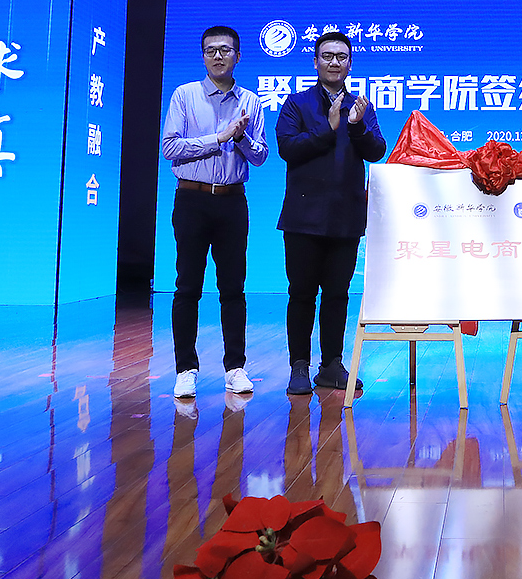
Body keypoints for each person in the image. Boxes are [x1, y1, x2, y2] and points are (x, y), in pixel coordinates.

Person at [274, 31, 388, 394]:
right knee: (302, 293)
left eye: (341, 57)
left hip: (346, 215)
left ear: (350, 64)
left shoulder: (361, 106)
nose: (334, 62)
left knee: (338, 294)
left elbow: (377, 150)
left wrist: (355, 126)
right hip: (303, 217)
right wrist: (329, 127)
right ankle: (299, 366)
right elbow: (288, 148)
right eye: (327, 56)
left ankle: (332, 365)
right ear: (315, 62)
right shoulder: (296, 104)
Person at [160, 25, 268, 400]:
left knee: (233, 287)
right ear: (203, 56)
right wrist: (218, 138)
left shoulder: (250, 101)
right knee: (187, 286)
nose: (218, 56)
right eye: (211, 50)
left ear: (238, 56)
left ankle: (235, 367)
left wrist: (240, 138)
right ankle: (185, 369)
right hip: (191, 199)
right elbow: (170, 148)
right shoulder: (184, 95)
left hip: (232, 201)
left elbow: (260, 155)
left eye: (225, 50)